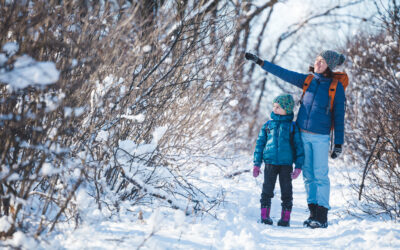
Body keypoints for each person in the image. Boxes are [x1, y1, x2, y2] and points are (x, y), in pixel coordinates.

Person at [246, 50, 346, 229]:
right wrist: (261, 62)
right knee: (308, 175)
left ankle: (322, 216)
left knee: (320, 175)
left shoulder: (335, 87)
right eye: (316, 60)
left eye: (322, 61)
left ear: (329, 66)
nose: (317, 64)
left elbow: (339, 116)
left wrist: (338, 143)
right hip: (301, 135)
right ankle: (313, 213)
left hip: (321, 138)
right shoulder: (308, 81)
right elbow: (283, 73)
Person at [253, 94, 304, 227]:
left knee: (286, 191)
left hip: (286, 164)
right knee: (267, 190)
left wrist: (298, 166)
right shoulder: (268, 125)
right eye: (274, 106)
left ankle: (285, 218)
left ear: (287, 110)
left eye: (278, 107)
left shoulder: (292, 127)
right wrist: (256, 164)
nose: (274, 109)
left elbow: (299, 147)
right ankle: (264, 216)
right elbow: (260, 144)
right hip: (270, 163)